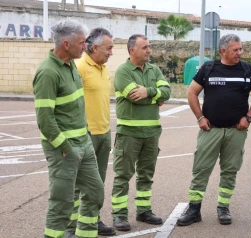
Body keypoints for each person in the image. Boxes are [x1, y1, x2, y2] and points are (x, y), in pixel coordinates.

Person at [177, 34, 251, 226]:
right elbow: (192, 93)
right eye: (236, 50)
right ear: (223, 51)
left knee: (230, 171)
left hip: (236, 131)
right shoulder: (209, 68)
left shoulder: (247, 70)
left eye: (241, 49)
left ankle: (223, 208)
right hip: (211, 130)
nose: (239, 53)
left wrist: (248, 117)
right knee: (201, 170)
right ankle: (194, 209)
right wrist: (200, 117)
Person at [33, 19, 104, 238]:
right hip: (65, 149)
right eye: (82, 43)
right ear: (66, 44)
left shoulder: (71, 64)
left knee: (95, 193)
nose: (86, 47)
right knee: (62, 203)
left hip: (84, 143)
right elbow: (45, 119)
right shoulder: (47, 72)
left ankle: (86, 234)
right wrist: (65, 147)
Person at [111, 34, 170, 231]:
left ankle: (143, 211)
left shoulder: (154, 70)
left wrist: (149, 92)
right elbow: (134, 96)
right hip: (129, 134)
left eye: (149, 46)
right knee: (123, 175)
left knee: (146, 174)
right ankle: (119, 215)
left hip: (152, 133)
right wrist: (156, 96)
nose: (149, 50)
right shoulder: (123, 71)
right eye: (144, 47)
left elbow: (167, 92)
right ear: (132, 50)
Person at [65, 28, 115, 236]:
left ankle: (92, 219)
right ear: (94, 47)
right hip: (85, 135)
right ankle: (70, 226)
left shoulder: (103, 68)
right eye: (109, 48)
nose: (111, 52)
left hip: (104, 133)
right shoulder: (79, 67)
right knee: (77, 185)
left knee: (97, 183)